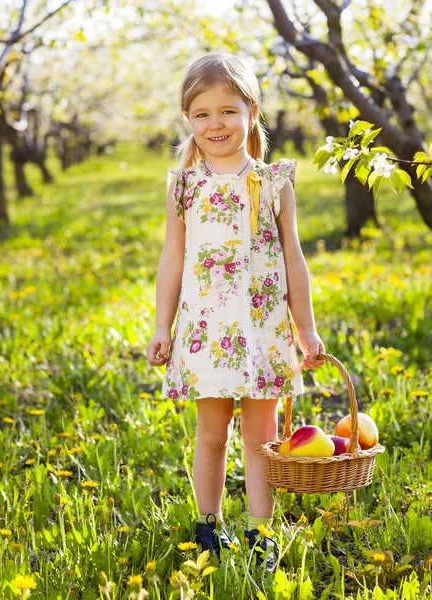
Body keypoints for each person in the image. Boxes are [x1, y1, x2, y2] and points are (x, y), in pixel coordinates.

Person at [146, 50, 326, 574]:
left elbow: (293, 259)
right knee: (211, 434)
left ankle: (261, 533)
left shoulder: (273, 182)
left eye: (228, 111)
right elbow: (172, 259)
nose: (215, 124)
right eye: (202, 114)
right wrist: (163, 326)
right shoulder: (184, 186)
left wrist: (306, 329)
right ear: (188, 119)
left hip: (264, 331)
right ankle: (208, 527)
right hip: (206, 333)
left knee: (260, 439)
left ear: (251, 110)